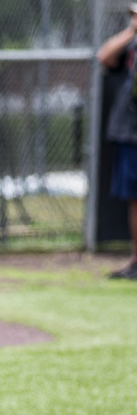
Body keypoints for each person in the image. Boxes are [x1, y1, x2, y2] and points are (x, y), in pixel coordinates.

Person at [97, 3, 137, 281]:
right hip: (129, 133)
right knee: (134, 200)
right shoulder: (129, 45)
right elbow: (104, 56)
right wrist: (132, 30)